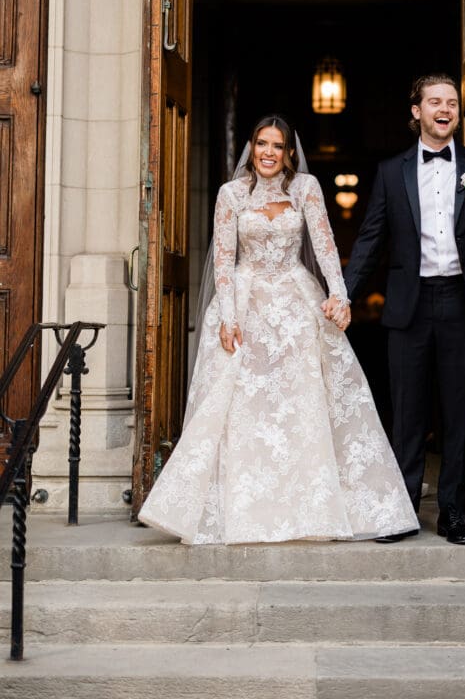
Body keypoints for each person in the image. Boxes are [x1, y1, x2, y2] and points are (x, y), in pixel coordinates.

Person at [138, 114, 419, 545]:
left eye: (277, 145)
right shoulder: (230, 194)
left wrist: (339, 296)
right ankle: (242, 510)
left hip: (295, 305)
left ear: (289, 153)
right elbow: (225, 262)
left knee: (303, 400)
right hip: (247, 305)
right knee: (240, 404)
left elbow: (326, 247)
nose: (268, 152)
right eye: (261, 143)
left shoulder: (306, 188)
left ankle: (312, 507)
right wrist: (229, 317)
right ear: (251, 147)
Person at [343, 74, 465, 546]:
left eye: (451, 102)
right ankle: (404, 509)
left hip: (464, 303)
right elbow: (369, 240)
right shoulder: (392, 171)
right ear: (417, 111)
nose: (444, 109)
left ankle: (451, 511)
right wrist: (342, 293)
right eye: (434, 101)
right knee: (407, 413)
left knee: (457, 411)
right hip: (410, 304)